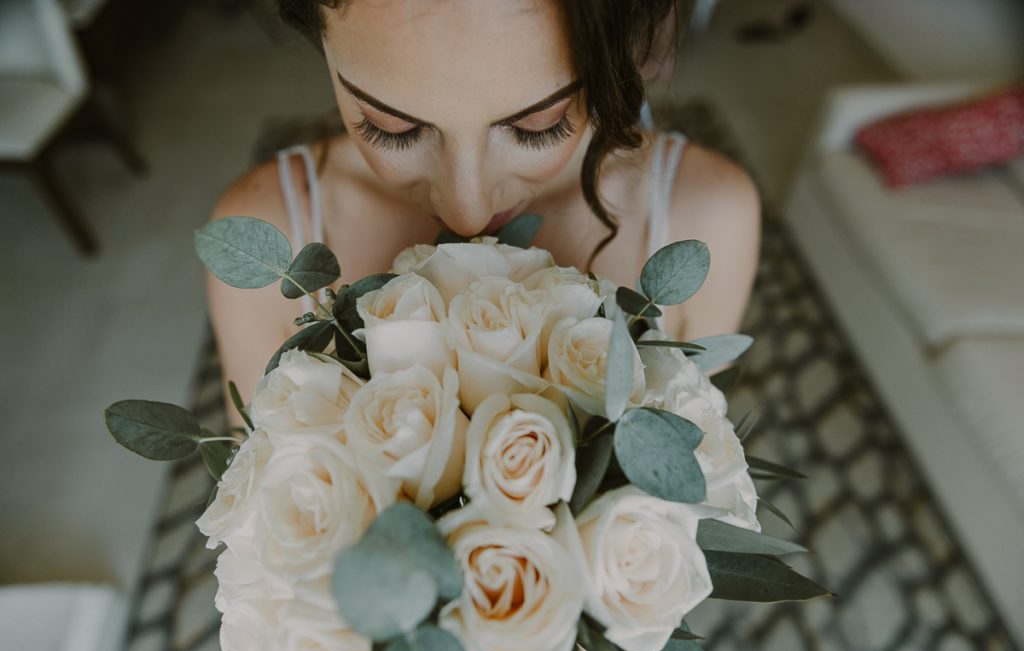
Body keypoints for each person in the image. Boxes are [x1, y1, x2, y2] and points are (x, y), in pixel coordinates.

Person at [207, 0, 760, 426]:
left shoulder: (708, 217)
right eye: (391, 127)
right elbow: (257, 503)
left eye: (538, 126)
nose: (467, 212)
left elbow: (693, 467)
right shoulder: (269, 235)